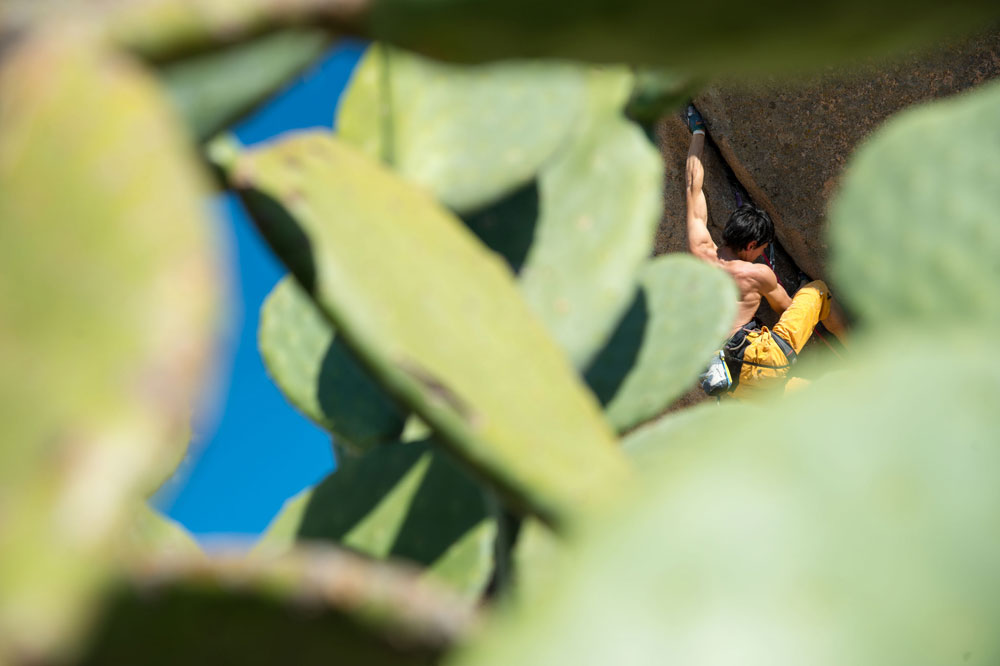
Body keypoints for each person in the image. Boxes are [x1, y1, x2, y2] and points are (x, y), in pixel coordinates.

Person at [684, 105, 847, 399]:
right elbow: (787, 310)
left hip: (734, 384)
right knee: (818, 292)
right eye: (761, 248)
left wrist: (697, 132)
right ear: (750, 245)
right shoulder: (757, 274)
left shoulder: (700, 250)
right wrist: (801, 294)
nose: (761, 254)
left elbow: (692, 187)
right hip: (765, 359)